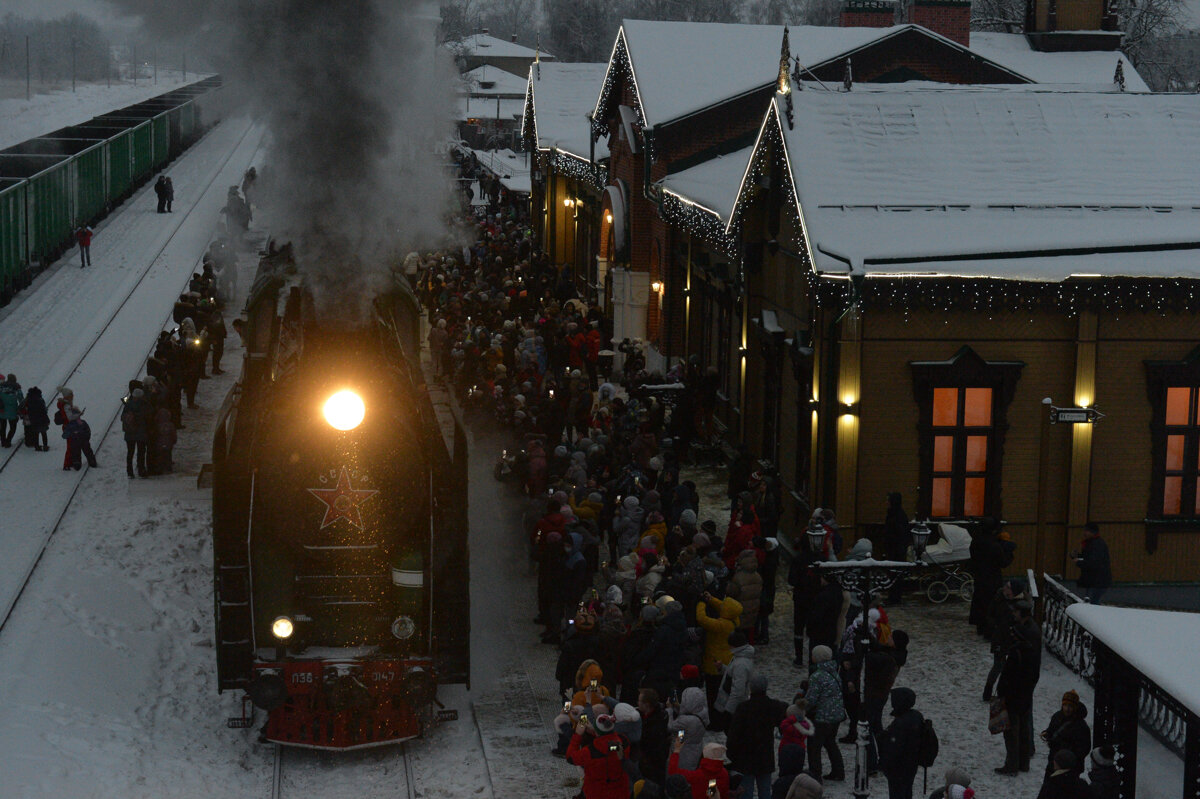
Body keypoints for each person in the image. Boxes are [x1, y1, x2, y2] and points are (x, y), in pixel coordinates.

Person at [996, 598, 1041, 775]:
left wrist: (1003, 692)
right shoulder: (1032, 637)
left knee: (1011, 731)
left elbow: (1010, 675)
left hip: (1014, 694)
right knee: (1023, 728)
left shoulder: (1019, 649)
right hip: (1025, 692)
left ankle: (1012, 765)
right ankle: (1023, 763)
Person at [726, 674, 787, 799]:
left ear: (751, 688)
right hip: (765, 756)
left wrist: (732, 754)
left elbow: (734, 734)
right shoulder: (773, 706)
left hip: (745, 757)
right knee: (765, 791)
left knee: (746, 791)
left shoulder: (743, 708)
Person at [566, 711, 630, 799]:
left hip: (596, 793)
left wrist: (578, 734)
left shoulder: (589, 751)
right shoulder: (624, 741)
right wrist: (595, 732)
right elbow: (609, 746)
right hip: (620, 792)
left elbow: (570, 758)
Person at [805, 645, 846, 781]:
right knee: (830, 743)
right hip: (836, 715)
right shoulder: (834, 671)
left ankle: (815, 774)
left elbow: (811, 700)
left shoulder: (817, 676)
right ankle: (838, 771)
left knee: (814, 747)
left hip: (822, 717)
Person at [879, 687, 923, 799]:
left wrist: (884, 765)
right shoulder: (916, 716)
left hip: (899, 769)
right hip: (911, 765)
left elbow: (893, 750)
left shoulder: (900, 724)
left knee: (897, 793)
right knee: (907, 791)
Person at [1041, 691, 1091, 778]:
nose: (1067, 709)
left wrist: (1066, 750)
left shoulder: (1081, 726)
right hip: (1054, 761)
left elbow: (1084, 749)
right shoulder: (1057, 716)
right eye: (1065, 705)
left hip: (1070, 767)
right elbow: (1052, 730)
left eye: (1070, 706)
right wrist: (1047, 733)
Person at [1072, 523, 1112, 605]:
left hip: (1096, 581)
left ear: (1093, 532)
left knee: (1093, 604)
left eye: (1087, 531)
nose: (1084, 533)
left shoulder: (1096, 544)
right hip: (1096, 580)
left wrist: (1079, 562)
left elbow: (1093, 562)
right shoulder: (1093, 543)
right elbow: (1090, 558)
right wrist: (1078, 557)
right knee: (1092, 602)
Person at [883, 493, 910, 604]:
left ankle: (894, 598)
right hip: (894, 549)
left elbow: (900, 533)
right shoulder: (895, 514)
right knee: (894, 574)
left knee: (895, 574)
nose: (886, 503)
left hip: (897, 550)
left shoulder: (898, 516)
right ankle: (893, 597)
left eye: (888, 501)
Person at [121, 387, 152, 478]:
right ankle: (141, 470)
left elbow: (122, 418)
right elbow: (149, 416)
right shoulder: (145, 405)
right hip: (141, 433)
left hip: (129, 433)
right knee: (141, 452)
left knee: (130, 453)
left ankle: (129, 471)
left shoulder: (128, 405)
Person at [21, 386, 50, 451]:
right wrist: (47, 420)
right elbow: (44, 411)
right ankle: (45, 446)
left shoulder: (28, 400)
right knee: (44, 433)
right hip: (42, 419)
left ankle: (36, 446)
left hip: (33, 419)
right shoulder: (40, 400)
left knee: (35, 434)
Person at [0, 373, 23, 447]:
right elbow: (21, 400)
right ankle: (8, 440)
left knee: (2, 427)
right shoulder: (17, 388)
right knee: (13, 427)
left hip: (2, 410)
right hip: (13, 410)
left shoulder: (1, 387)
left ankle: (3, 441)